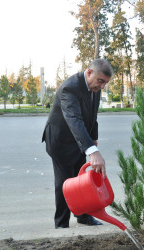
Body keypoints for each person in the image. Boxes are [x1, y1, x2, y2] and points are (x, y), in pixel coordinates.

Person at [42, 58, 113, 228]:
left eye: (105, 83)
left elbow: (92, 116)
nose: (102, 86)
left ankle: (83, 217)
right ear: (89, 72)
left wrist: (93, 140)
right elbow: (74, 120)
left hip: (80, 140)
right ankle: (61, 223)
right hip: (60, 141)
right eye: (100, 81)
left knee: (82, 180)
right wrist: (92, 151)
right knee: (65, 182)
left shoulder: (95, 87)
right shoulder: (69, 88)